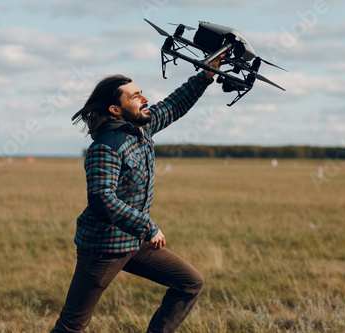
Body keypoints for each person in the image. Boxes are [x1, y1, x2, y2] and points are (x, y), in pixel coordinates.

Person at [51, 55, 224, 333]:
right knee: (73, 324)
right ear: (116, 109)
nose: (144, 99)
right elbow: (102, 199)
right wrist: (147, 227)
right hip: (103, 249)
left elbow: (173, 105)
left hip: (134, 243)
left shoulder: (142, 129)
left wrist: (206, 74)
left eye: (141, 94)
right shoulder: (105, 148)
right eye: (135, 96)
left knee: (190, 282)